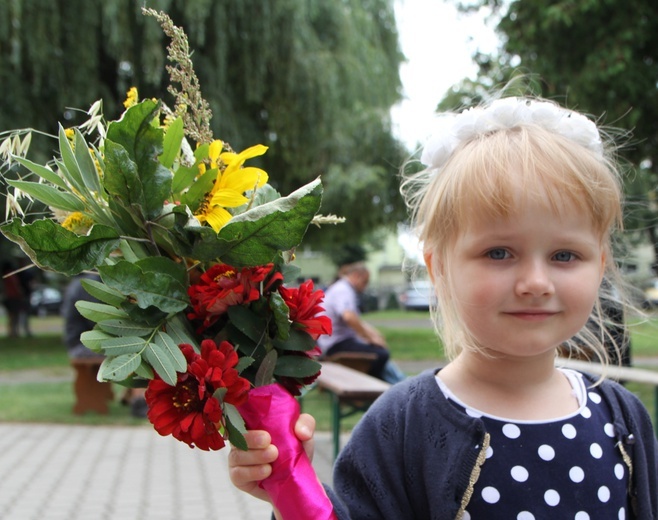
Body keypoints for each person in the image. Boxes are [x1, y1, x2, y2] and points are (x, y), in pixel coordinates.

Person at [228, 96, 658, 519]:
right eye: (499, 253)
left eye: (565, 255)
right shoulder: (401, 426)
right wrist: (290, 489)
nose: (535, 283)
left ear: (600, 265)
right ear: (439, 268)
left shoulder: (622, 418)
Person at [62, 272, 147, 417]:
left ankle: (130, 395)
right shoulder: (89, 284)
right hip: (81, 346)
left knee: (135, 346)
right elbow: (99, 321)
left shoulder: (79, 282)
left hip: (78, 341)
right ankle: (139, 400)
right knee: (137, 351)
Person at [317, 262, 405, 384]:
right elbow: (349, 318)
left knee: (379, 350)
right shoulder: (343, 290)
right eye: (365, 282)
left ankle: (397, 382)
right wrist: (370, 338)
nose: (365, 286)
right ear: (357, 276)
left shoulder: (343, 288)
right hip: (335, 345)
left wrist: (375, 335)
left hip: (338, 341)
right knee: (381, 355)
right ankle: (375, 388)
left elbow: (357, 320)